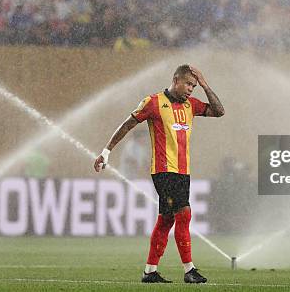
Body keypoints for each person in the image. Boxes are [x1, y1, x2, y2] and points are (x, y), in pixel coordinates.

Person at [93, 64, 225, 284]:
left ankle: (150, 272)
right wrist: (106, 151)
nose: (191, 89)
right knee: (184, 214)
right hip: (164, 171)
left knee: (166, 220)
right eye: (188, 84)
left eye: (194, 85)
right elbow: (127, 125)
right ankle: (189, 270)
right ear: (175, 80)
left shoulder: (191, 105)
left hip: (183, 172)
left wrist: (204, 83)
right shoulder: (153, 103)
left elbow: (219, 111)